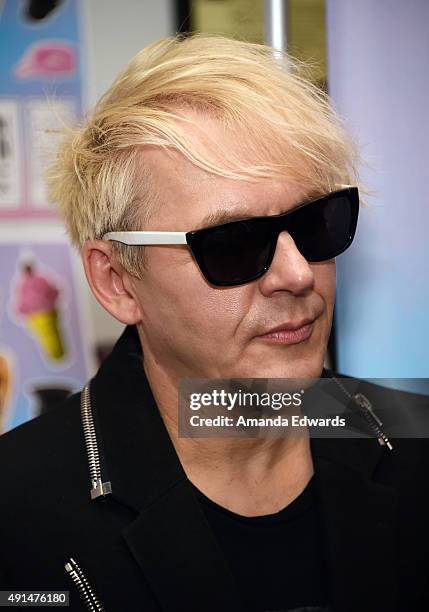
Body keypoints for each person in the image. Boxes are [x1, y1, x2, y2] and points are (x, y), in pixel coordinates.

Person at [0, 34, 428, 612]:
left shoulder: (413, 445)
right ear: (117, 281)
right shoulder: (17, 513)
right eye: (233, 243)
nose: (297, 274)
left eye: (317, 223)